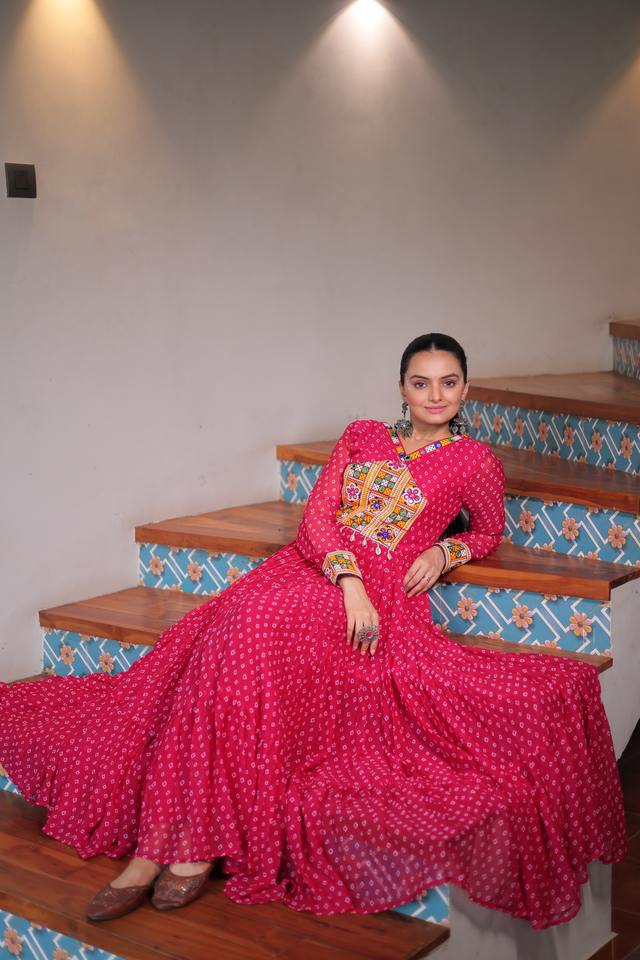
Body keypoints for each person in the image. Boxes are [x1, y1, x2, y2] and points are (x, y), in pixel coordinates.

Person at [0, 333, 627, 928]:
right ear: (401, 388)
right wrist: (348, 580)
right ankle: (161, 847)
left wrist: (445, 552)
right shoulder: (362, 436)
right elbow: (316, 521)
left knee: (243, 643)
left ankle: (174, 847)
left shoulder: (473, 461)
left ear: (466, 389)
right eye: (421, 382)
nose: (435, 395)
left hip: (386, 594)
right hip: (317, 571)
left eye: (448, 382)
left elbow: (488, 530)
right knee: (240, 624)